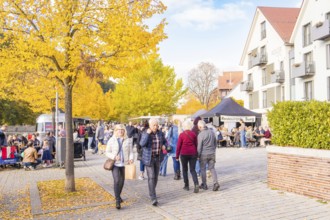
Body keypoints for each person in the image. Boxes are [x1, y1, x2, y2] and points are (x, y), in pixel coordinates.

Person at [105, 124, 134, 210]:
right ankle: (117, 200)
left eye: (122, 130)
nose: (120, 131)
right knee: (117, 180)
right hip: (115, 164)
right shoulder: (111, 140)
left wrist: (131, 158)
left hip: (124, 164)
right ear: (115, 131)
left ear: (124, 131)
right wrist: (114, 156)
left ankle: (118, 195)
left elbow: (131, 152)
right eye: (118, 130)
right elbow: (107, 152)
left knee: (121, 182)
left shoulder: (128, 140)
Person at [139, 118, 167, 206]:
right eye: (153, 125)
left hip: (158, 158)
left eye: (156, 125)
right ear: (150, 125)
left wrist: (164, 146)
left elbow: (165, 142)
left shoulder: (160, 133)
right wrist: (147, 134)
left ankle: (152, 191)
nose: (155, 127)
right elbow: (142, 144)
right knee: (151, 177)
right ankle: (153, 197)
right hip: (149, 158)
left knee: (155, 177)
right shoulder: (145, 133)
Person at [176, 120, 199, 193]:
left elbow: (178, 146)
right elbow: (196, 145)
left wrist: (177, 156)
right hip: (193, 153)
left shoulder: (181, 135)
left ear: (184, 126)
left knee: (184, 170)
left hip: (184, 154)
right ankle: (196, 184)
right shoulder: (193, 134)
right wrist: (197, 154)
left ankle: (186, 185)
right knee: (192, 170)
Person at [197, 120, 220, 191]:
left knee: (203, 169)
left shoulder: (201, 134)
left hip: (204, 154)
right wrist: (213, 150)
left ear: (200, 126)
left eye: (198, 127)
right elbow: (215, 143)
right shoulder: (212, 132)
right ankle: (215, 183)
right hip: (212, 153)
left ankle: (204, 184)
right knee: (212, 168)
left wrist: (198, 155)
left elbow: (199, 147)